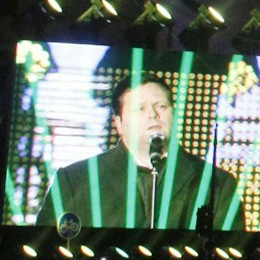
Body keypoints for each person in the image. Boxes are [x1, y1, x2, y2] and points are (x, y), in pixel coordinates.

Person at [35, 75, 246, 231]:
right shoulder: (76, 180)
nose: (153, 115)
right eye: (141, 109)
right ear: (119, 123)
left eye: (161, 106)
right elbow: (47, 245)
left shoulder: (216, 183)